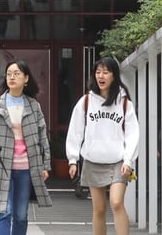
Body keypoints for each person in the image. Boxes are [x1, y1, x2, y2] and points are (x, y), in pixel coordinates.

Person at [0, 59, 52, 235]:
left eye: (16, 74)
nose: (12, 77)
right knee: (4, 211)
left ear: (26, 78)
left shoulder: (34, 106)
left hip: (26, 168)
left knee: (20, 214)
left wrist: (45, 165)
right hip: (1, 167)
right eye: (9, 74)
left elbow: (42, 137)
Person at [65, 56, 140, 235]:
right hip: (93, 160)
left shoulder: (124, 103)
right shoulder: (86, 101)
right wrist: (73, 159)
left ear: (114, 75)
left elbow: (132, 133)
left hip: (118, 162)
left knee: (116, 203)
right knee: (98, 210)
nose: (101, 76)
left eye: (106, 72)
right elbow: (75, 130)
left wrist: (128, 160)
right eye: (98, 72)